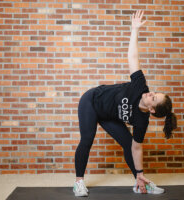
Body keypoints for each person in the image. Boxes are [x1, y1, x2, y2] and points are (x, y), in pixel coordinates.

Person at [73, 10, 177, 197]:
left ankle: (139, 183)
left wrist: (141, 173)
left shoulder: (141, 122)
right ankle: (78, 182)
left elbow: (137, 148)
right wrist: (134, 30)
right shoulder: (140, 86)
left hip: (109, 116)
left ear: (152, 110)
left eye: (153, 98)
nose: (151, 93)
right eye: (155, 93)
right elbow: (133, 58)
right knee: (87, 139)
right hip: (91, 102)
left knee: (129, 143)